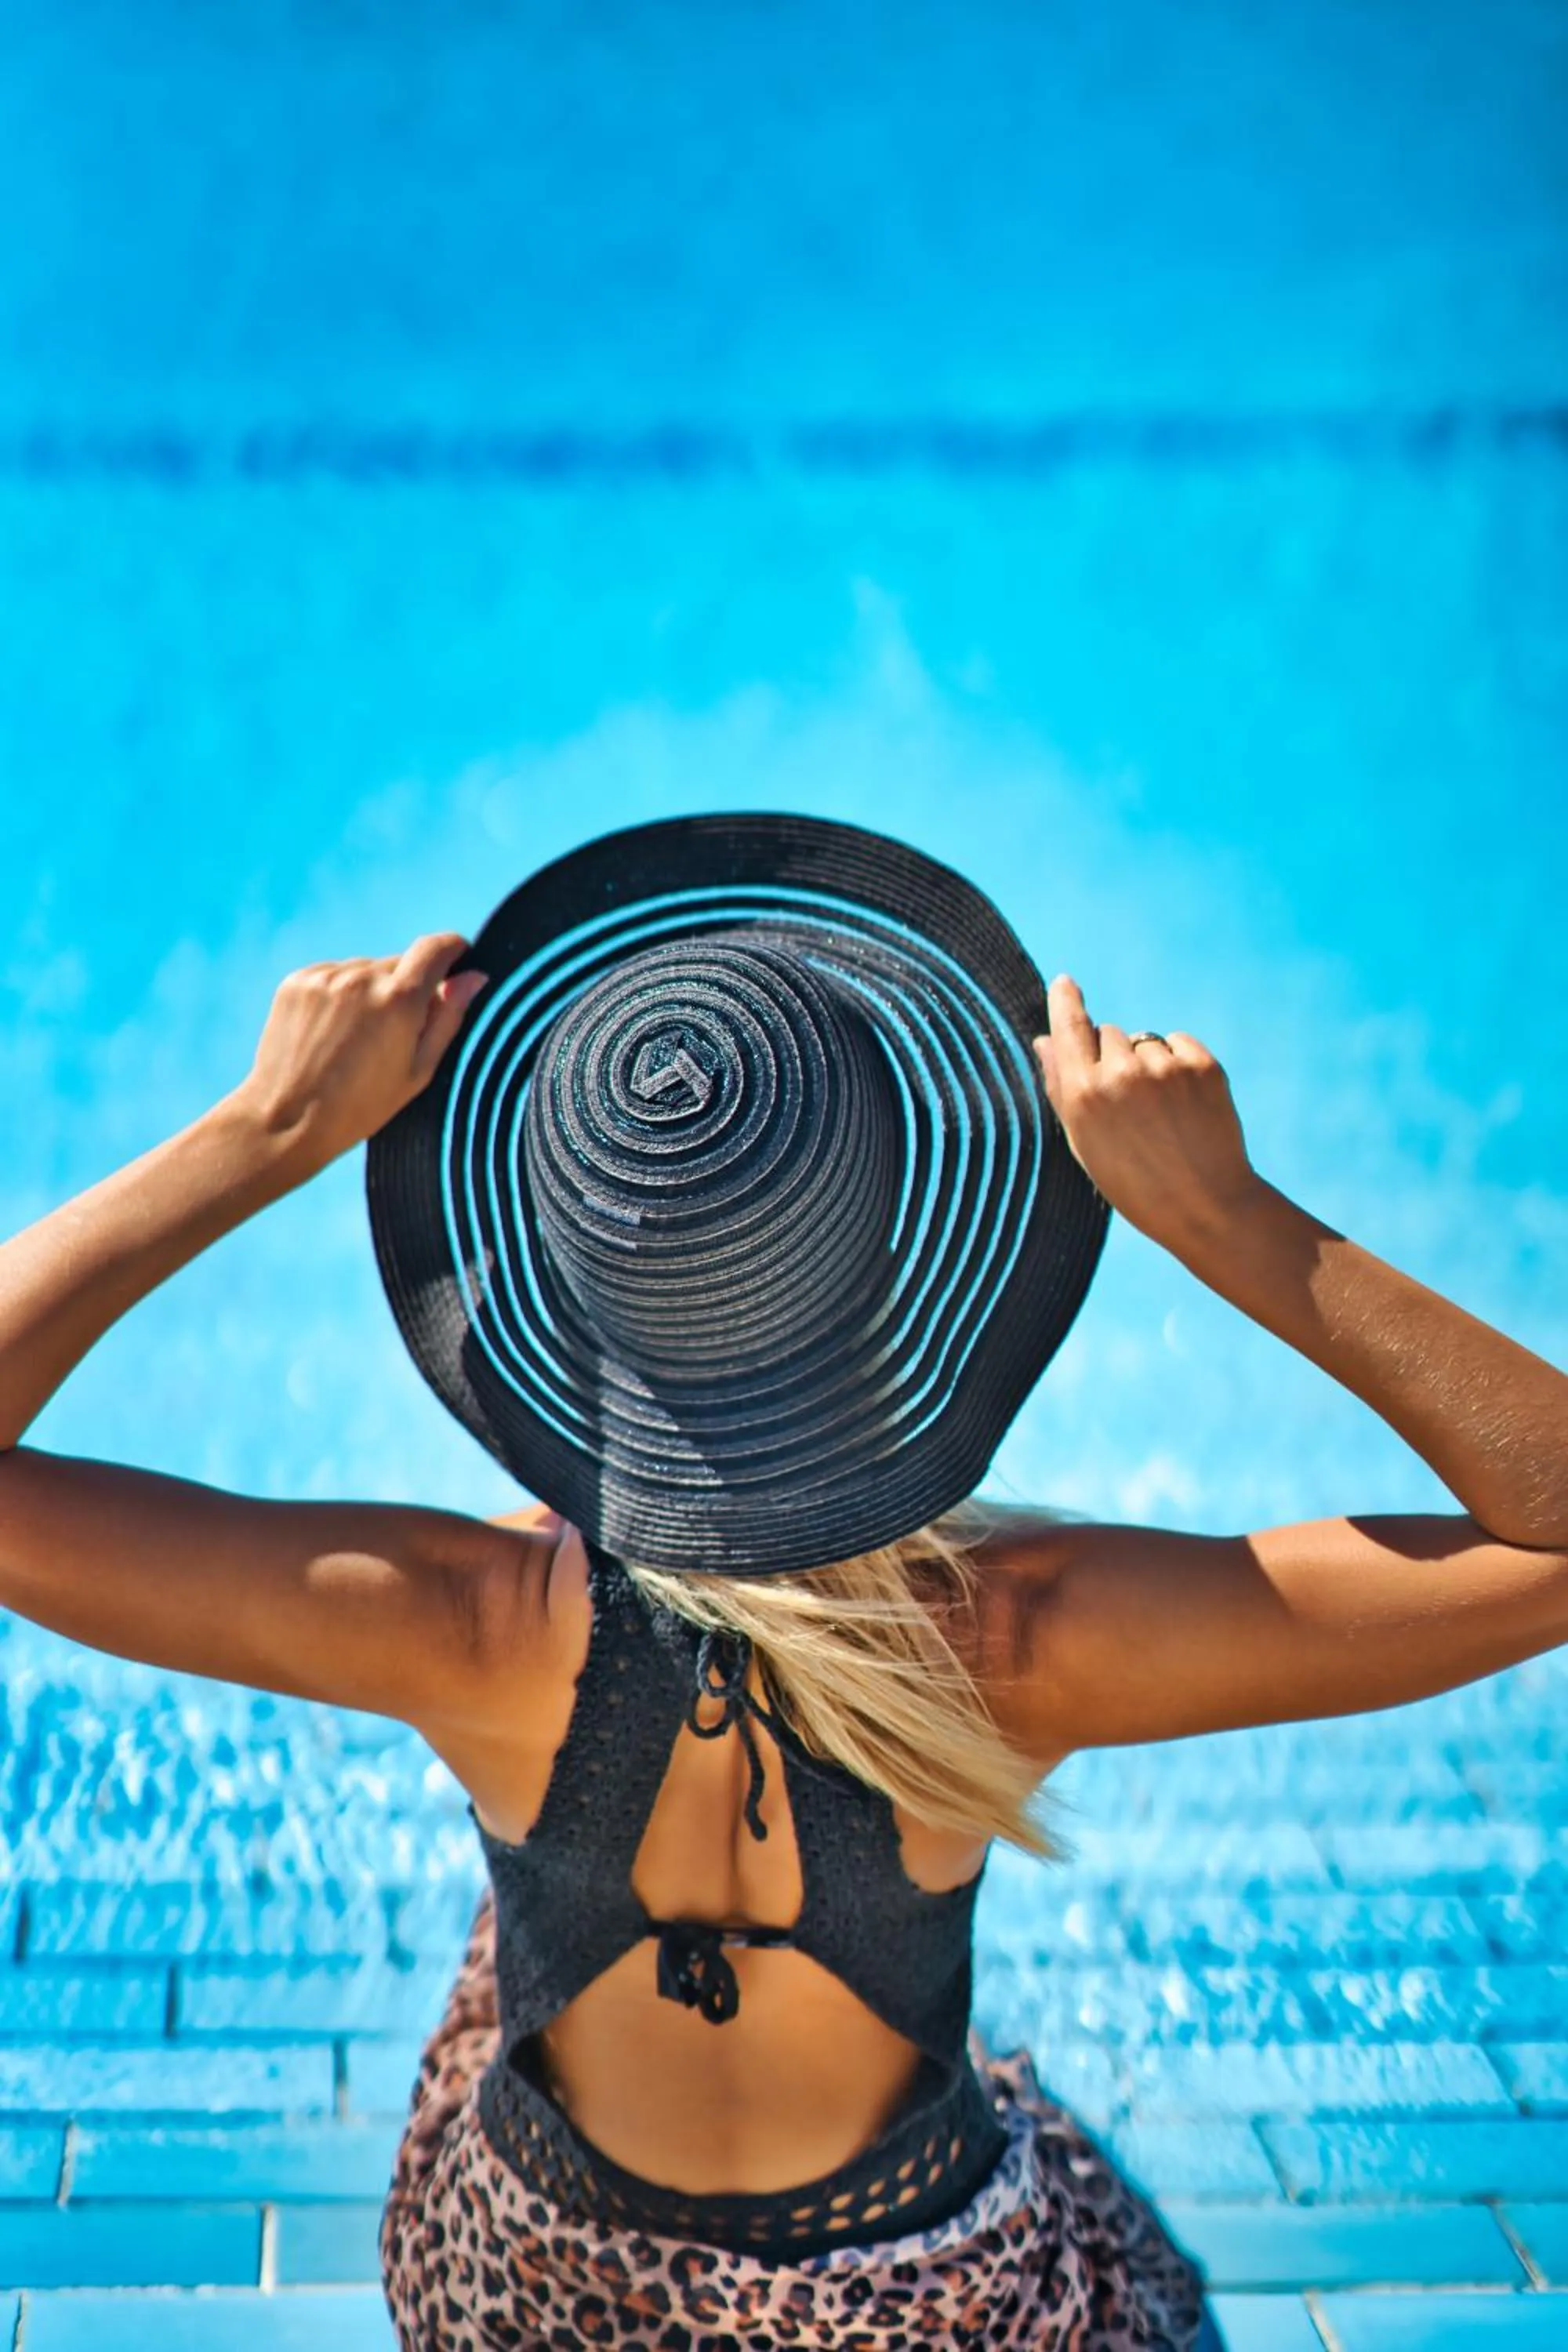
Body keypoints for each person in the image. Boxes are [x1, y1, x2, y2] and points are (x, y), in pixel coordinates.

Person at [0, 814, 1562, 2352]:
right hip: (941, 2314)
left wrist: (260, 1131)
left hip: (542, 2302)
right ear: (911, 1258)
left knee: (519, 1948)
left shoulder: (465, 1622)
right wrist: (1226, 1217)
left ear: (572, 1282)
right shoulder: (1018, 1641)